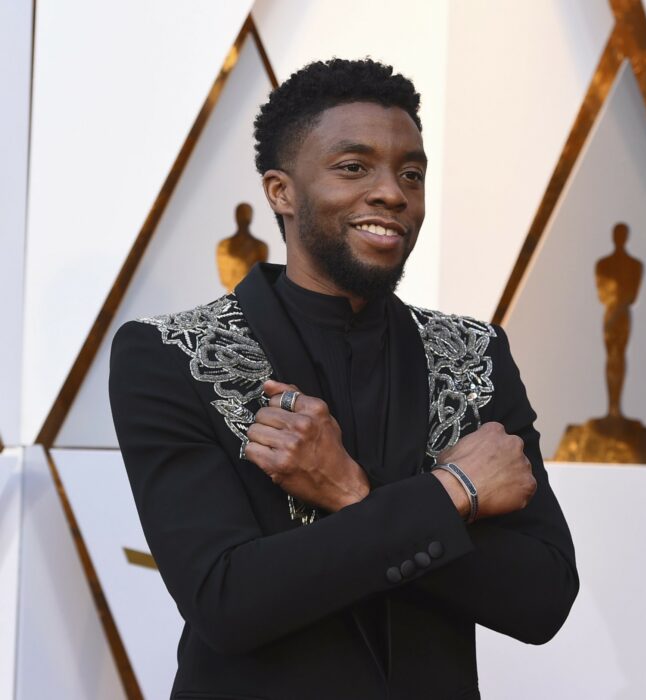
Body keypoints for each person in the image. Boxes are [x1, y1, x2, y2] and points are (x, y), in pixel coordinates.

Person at [109, 58, 578, 700]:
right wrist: (454, 493)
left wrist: (353, 492)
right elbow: (227, 601)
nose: (393, 192)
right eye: (353, 167)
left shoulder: (473, 354)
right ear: (281, 191)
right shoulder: (175, 355)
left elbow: (542, 599)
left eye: (411, 173)